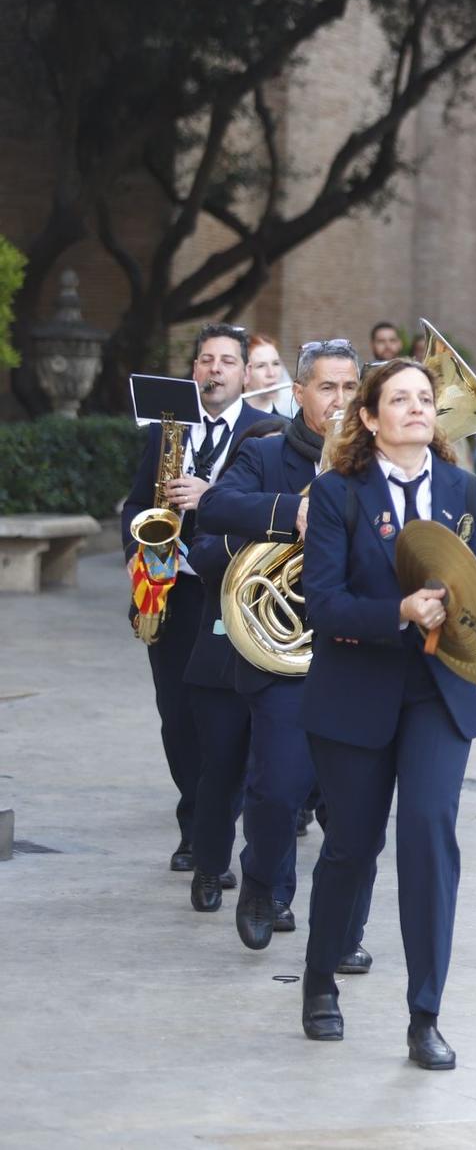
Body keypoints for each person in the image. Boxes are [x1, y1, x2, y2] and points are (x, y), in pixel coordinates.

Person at [295, 357, 476, 1070]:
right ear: (372, 417)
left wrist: (464, 613)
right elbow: (321, 604)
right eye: (399, 399)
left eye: (424, 398)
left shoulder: (464, 488)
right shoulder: (337, 492)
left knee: (428, 836)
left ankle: (426, 1015)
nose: (416, 407)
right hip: (356, 688)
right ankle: (320, 980)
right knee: (351, 845)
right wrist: (397, 611)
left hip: (439, 692)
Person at [191, 339, 377, 968]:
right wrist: (292, 510)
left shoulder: (378, 464)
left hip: (355, 652)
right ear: (299, 394)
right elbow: (213, 507)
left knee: (354, 810)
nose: (342, 402)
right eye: (329, 388)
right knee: (276, 791)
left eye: (353, 389)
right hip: (281, 654)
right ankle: (264, 885)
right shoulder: (267, 452)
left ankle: (345, 933)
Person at [122, 322, 280, 871]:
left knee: (227, 716)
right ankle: (196, 820)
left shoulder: (269, 432)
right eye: (206, 360)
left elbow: (275, 504)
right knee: (175, 713)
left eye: (227, 361)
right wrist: (132, 552)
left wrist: (213, 495)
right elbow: (134, 503)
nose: (215, 369)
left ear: (244, 373)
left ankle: (213, 828)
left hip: (233, 592)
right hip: (169, 587)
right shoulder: (166, 430)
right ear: (194, 371)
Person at [181, 415, 285, 913]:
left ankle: (273, 890)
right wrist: (252, 547)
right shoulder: (226, 513)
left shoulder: (295, 514)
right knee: (220, 770)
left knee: (273, 780)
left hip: (278, 659)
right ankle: (208, 867)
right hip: (221, 659)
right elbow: (202, 555)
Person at [243, 334, 297, 417]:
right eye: (260, 366)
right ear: (243, 372)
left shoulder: (288, 427)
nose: (271, 373)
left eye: (276, 363)